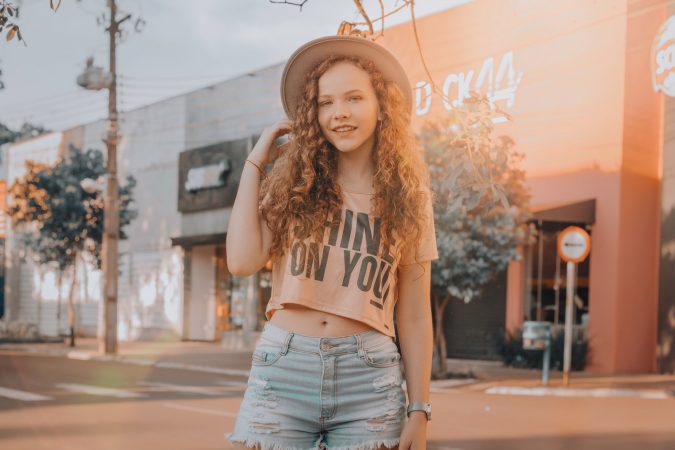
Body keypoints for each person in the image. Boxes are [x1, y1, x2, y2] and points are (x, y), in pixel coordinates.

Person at [225, 35, 439, 450]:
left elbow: (414, 315)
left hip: (370, 382)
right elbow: (240, 260)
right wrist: (256, 162)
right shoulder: (294, 185)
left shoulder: (411, 200)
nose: (339, 113)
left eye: (354, 98)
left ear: (381, 106)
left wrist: (420, 408)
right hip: (284, 370)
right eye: (326, 103)